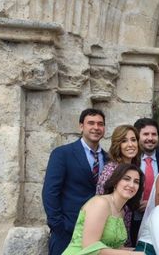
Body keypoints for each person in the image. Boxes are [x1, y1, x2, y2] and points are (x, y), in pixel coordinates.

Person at [43, 108, 108, 255]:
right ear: (81, 126)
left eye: (100, 124)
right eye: (91, 123)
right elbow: (50, 192)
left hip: (97, 234)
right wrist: (59, 226)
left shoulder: (108, 158)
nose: (96, 128)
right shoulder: (62, 154)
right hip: (67, 232)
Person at [62, 163, 143, 254]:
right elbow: (90, 246)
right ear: (116, 182)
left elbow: (114, 248)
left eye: (136, 182)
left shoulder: (121, 211)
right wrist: (131, 254)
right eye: (126, 179)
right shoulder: (101, 203)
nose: (131, 185)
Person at [95, 125, 140, 244]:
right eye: (124, 141)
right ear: (117, 145)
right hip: (107, 237)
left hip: (124, 234)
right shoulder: (111, 170)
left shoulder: (134, 169)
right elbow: (100, 204)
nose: (130, 144)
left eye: (133, 139)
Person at [131, 118, 159, 245]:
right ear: (137, 136)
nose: (150, 138)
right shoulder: (130, 159)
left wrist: (153, 202)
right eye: (145, 134)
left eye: (154, 134)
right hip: (133, 219)